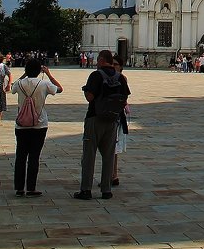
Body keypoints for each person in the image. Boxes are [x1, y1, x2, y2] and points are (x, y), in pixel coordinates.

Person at [74, 49, 130, 200]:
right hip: (112, 119)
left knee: (89, 155)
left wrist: (86, 90)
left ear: (100, 60)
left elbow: (90, 97)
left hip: (95, 118)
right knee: (109, 156)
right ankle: (106, 190)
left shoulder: (96, 75)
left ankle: (86, 190)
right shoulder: (121, 77)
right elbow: (124, 100)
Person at [10, 58, 62, 197]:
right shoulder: (43, 83)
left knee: (20, 156)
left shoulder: (20, 83)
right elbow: (60, 89)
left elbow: (12, 87)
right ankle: (31, 188)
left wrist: (24, 74)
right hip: (39, 124)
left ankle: (19, 188)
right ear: (40, 70)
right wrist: (49, 74)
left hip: (21, 125)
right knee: (34, 157)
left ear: (26, 70)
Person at [110, 54, 128, 187]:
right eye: (112, 64)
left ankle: (113, 174)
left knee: (113, 147)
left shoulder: (122, 78)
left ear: (121, 67)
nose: (113, 66)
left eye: (115, 64)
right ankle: (111, 174)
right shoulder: (106, 77)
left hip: (116, 116)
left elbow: (124, 98)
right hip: (107, 114)